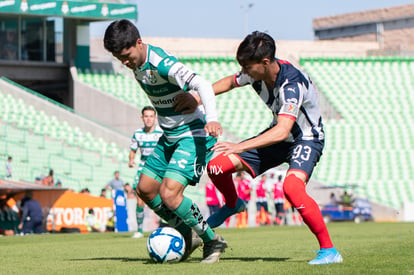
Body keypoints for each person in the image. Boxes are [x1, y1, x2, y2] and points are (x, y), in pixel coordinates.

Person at [191, 31, 343, 264]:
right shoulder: (255, 72)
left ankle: (329, 250)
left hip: (305, 139)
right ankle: (233, 204)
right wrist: (199, 98)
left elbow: (283, 130)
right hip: (277, 136)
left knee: (292, 188)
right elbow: (230, 82)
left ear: (265, 62)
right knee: (217, 166)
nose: (244, 72)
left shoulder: (291, 85)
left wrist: (239, 147)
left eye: (247, 67)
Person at [103, 19, 227, 263]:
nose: (125, 63)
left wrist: (211, 118)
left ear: (139, 43)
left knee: (170, 195)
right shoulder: (135, 64)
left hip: (192, 134)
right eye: (119, 59)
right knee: (146, 189)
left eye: (126, 56)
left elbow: (201, 83)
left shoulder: (160, 62)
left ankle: (213, 240)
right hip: (169, 136)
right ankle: (187, 233)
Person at [128, 106, 163, 239]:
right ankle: (140, 230)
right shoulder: (137, 133)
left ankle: (167, 225)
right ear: (142, 118)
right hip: (143, 167)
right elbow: (132, 150)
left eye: (151, 116)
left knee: (165, 197)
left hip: (159, 167)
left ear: (155, 118)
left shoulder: (161, 132)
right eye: (146, 116)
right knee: (139, 198)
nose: (148, 119)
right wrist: (131, 160)